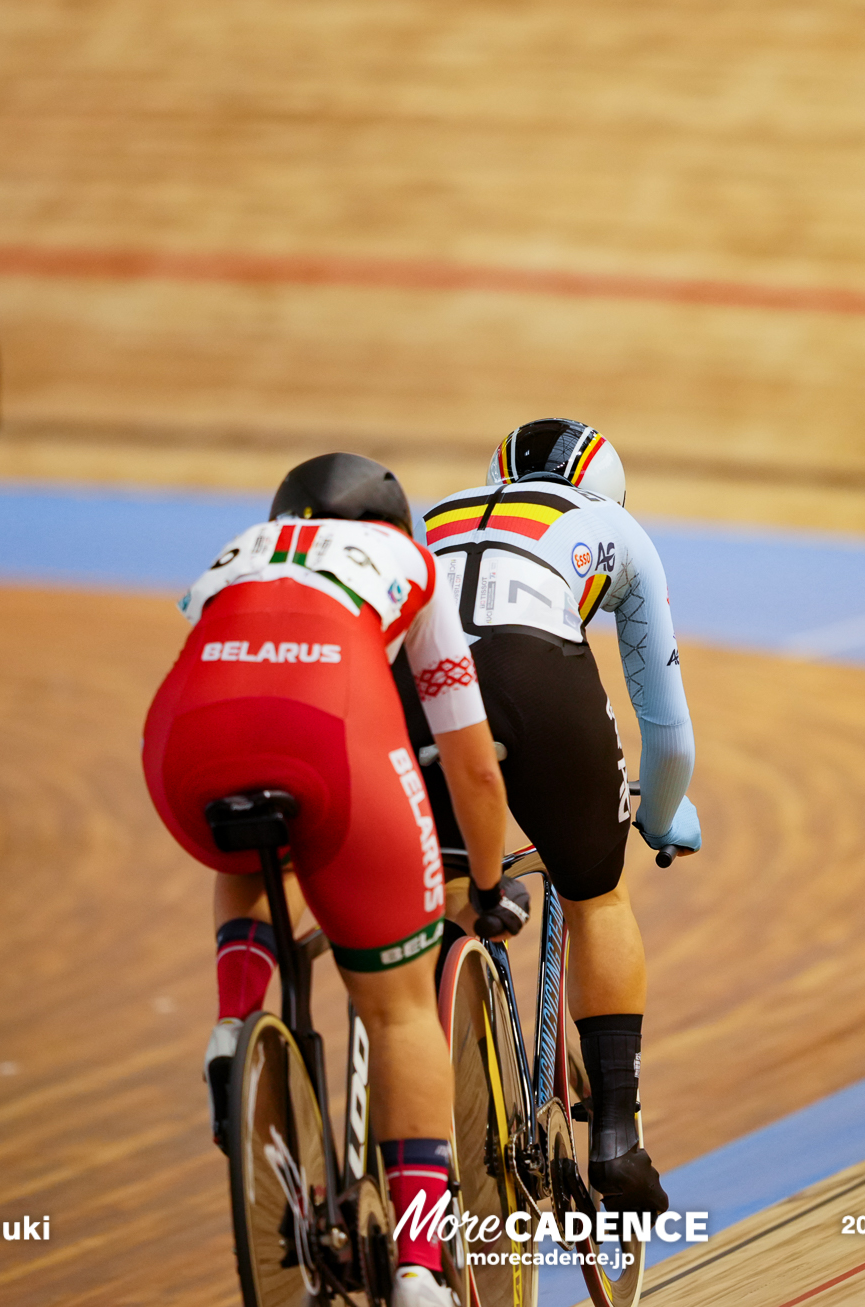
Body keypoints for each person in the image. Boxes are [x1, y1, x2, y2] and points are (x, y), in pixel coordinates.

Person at [142, 453, 512, 1307]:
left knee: (240, 843)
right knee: (399, 1003)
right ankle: (421, 1264)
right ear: (391, 527)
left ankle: (236, 1019)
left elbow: (242, 679)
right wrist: (485, 884)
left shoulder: (238, 551)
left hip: (184, 745)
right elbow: (471, 767)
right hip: (333, 745)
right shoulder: (410, 566)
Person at [410, 418, 699, 1216]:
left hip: (412, 684)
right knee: (594, 890)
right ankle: (615, 1134)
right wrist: (664, 813)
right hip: (529, 672)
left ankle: (424, 1146)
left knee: (450, 889)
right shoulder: (620, 531)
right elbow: (667, 734)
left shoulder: (437, 512)